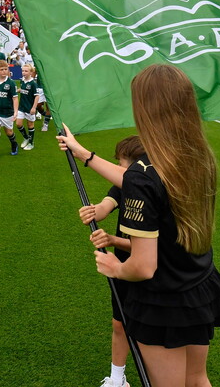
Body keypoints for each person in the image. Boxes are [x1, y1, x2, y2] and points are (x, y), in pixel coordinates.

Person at [57, 64, 220, 387]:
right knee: (197, 380)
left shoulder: (144, 175)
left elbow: (143, 266)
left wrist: (114, 266)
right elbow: (142, 182)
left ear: (145, 110)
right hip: (198, 289)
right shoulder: (197, 154)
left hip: (163, 301)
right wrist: (84, 154)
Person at [78, 136, 149, 387]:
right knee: (119, 322)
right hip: (121, 267)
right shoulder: (125, 183)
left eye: (119, 162)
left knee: (147, 329)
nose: (115, 167)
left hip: (148, 269)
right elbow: (107, 205)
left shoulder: (152, 190)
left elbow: (154, 249)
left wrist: (112, 240)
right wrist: (95, 210)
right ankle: (117, 378)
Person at [16, 63, 40, 150]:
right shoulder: (22, 81)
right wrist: (18, 90)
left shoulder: (33, 83)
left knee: (30, 125)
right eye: (23, 71)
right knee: (18, 124)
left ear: (30, 72)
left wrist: (34, 108)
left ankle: (31, 143)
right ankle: (26, 138)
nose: (24, 72)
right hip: (21, 107)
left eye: (26, 71)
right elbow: (23, 90)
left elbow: (37, 96)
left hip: (29, 108)